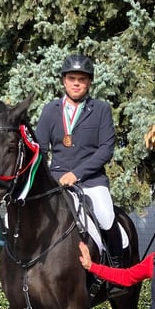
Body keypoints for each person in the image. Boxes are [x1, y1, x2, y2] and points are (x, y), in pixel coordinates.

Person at [35, 54, 124, 274]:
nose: (76, 83)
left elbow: (106, 150)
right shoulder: (50, 110)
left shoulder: (101, 109)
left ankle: (115, 269)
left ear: (89, 82)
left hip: (91, 180)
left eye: (82, 79)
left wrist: (76, 174)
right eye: (72, 78)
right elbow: (40, 149)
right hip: (55, 180)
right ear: (64, 80)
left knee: (106, 216)